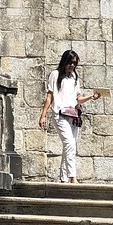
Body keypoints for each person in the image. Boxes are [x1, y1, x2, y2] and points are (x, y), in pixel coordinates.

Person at [38, 49, 101, 183]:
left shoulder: (74, 78)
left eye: (74, 63)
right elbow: (50, 96)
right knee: (70, 144)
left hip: (73, 115)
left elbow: (78, 98)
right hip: (59, 114)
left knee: (69, 145)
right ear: (65, 61)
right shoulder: (55, 75)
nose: (72, 65)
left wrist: (91, 96)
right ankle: (73, 177)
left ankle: (64, 177)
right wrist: (43, 115)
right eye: (70, 62)